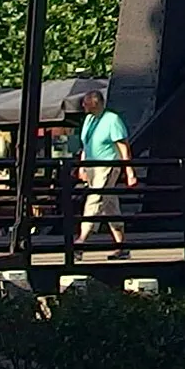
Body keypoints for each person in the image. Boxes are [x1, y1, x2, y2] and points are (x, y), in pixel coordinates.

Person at [72, 90, 135, 259]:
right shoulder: (89, 120)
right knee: (109, 206)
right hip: (92, 166)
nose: (83, 105)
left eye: (86, 102)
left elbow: (123, 147)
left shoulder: (112, 120)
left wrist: (129, 171)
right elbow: (86, 144)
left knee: (95, 199)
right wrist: (82, 166)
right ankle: (121, 245)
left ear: (96, 102)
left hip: (107, 165)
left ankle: (81, 242)